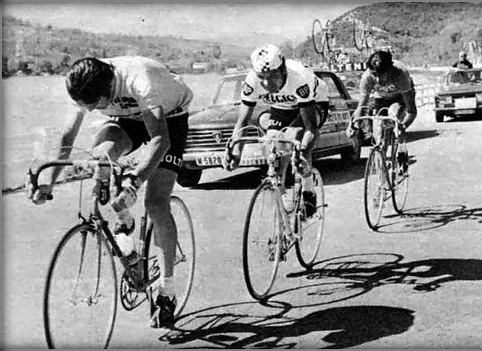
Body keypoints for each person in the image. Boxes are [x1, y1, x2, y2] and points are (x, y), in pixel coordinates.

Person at [27, 56, 193, 327]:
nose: (90, 111)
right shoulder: (83, 83)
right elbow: (67, 138)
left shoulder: (140, 80)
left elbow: (160, 141)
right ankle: (124, 223)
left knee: (155, 203)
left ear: (107, 92)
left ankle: (167, 290)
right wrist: (49, 181)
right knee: (101, 157)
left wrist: (135, 181)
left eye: (94, 106)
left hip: (169, 119)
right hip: (127, 118)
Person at [226, 44, 327, 219]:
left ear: (283, 69)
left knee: (296, 137)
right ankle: (281, 196)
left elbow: (311, 127)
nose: (267, 83)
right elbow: (241, 122)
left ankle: (309, 190)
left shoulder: (300, 78)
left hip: (313, 101)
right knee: (271, 143)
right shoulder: (251, 80)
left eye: (272, 75)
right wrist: (236, 152)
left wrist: (302, 151)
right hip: (281, 106)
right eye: (262, 77)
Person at [347, 50, 416, 169]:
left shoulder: (400, 75)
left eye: (381, 75)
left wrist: (403, 126)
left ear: (389, 70)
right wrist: (353, 125)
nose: (377, 80)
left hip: (400, 98)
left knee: (393, 113)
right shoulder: (367, 76)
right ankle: (382, 169)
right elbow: (362, 105)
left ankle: (401, 148)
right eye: (375, 75)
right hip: (381, 98)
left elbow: (412, 111)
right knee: (379, 130)